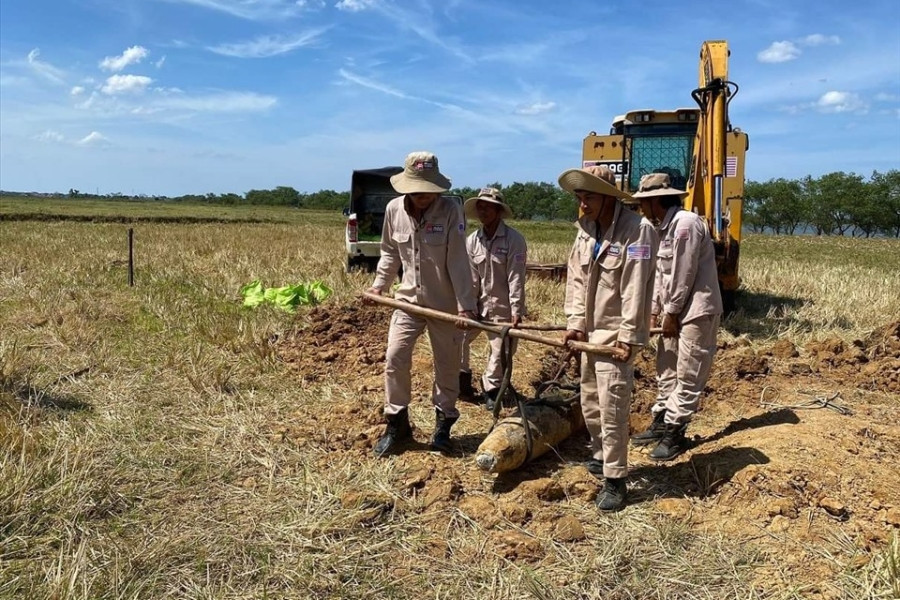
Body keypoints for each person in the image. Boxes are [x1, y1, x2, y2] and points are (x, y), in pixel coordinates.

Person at [364, 151, 477, 457]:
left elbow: (458, 260)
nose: (424, 196)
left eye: (429, 189)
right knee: (395, 357)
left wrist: (466, 305)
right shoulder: (393, 210)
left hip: (444, 304)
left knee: (447, 364)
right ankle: (397, 424)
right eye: (418, 189)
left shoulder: (451, 210)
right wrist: (379, 286)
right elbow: (389, 252)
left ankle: (443, 424)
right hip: (409, 302)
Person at [560, 165, 658, 512]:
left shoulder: (637, 231)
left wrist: (630, 336)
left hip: (616, 336)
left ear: (608, 197)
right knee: (590, 401)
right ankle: (601, 456)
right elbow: (575, 279)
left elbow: (636, 288)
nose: (582, 204)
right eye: (580, 197)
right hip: (589, 333)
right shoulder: (585, 230)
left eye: (589, 197)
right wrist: (574, 322)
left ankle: (616, 479)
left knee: (613, 406)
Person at [629, 172, 723, 461]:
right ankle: (661, 420)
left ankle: (675, 432)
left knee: (688, 372)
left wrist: (670, 312)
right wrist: (655, 312)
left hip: (696, 310)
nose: (640, 209)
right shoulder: (658, 229)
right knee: (666, 368)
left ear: (655, 200)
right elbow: (660, 275)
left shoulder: (686, 225)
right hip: (672, 310)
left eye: (643, 203)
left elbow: (684, 273)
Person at [458, 187, 527, 410]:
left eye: (488, 207)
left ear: (498, 211)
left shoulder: (514, 240)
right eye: (480, 206)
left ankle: (491, 389)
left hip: (502, 308)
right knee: (457, 338)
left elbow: (516, 277)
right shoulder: (472, 241)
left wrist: (517, 310)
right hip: (477, 306)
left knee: (500, 351)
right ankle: (462, 381)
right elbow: (469, 278)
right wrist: (466, 307)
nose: (483, 211)